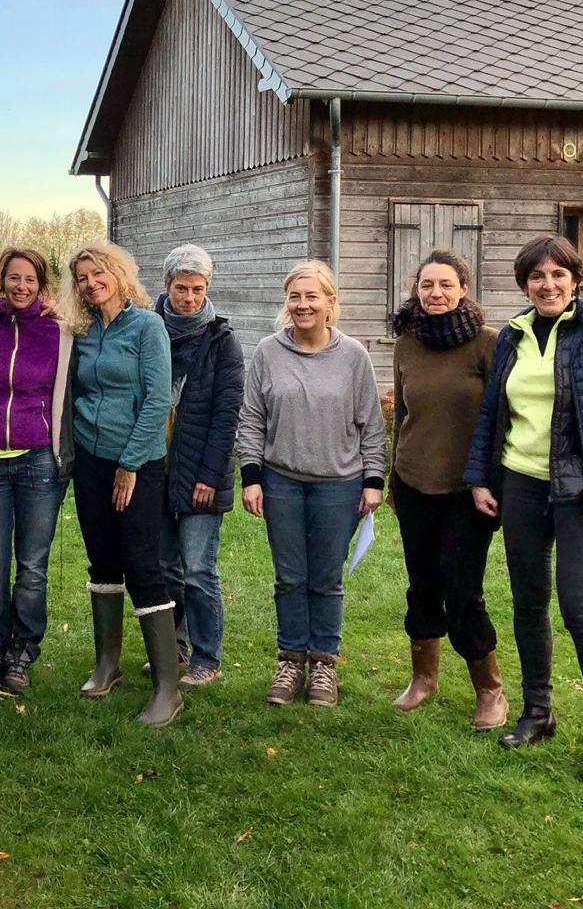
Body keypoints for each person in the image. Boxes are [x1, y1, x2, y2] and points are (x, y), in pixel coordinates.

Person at [465, 235, 583, 779]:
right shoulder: (512, 336)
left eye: (557, 275)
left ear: (575, 280)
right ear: (524, 283)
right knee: (527, 601)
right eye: (536, 277)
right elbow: (491, 415)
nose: (547, 285)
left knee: (579, 608)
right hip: (519, 483)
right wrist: (481, 475)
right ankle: (538, 713)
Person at [239, 261, 385, 708]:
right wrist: (251, 476)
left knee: (325, 578)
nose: (303, 305)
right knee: (289, 577)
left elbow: (371, 425)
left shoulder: (353, 356)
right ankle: (290, 661)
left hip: (338, 485)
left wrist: (373, 479)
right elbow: (251, 418)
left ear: (330, 303)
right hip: (281, 480)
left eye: (311, 296)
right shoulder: (267, 351)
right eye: (295, 297)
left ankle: (324, 663)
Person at [386, 250, 506, 730]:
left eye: (445, 285)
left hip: (468, 489)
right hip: (414, 481)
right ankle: (424, 678)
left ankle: (490, 688)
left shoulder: (489, 344)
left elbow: (501, 418)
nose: (435, 293)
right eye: (426, 285)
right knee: (422, 584)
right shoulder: (406, 344)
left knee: (462, 589)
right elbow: (403, 417)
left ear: (463, 290)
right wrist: (394, 476)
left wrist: (491, 478)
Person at [62, 240, 180, 727]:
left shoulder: (148, 326)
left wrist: (130, 463)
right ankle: (107, 664)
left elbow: (157, 401)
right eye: (82, 278)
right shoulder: (83, 331)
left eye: (98, 273)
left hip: (138, 465)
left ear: (119, 273)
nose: (91, 283)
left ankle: (168, 689)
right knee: (102, 560)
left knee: (141, 563)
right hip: (91, 462)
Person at [0, 247, 75, 694]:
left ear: (41, 285)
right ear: (2, 281)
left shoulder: (60, 332)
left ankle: (22, 652)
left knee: (32, 567)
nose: (21, 286)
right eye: (14, 278)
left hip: (39, 463)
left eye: (30, 280)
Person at [154, 244, 243, 690]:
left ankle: (208, 657)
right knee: (166, 566)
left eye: (197, 289)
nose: (189, 297)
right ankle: (175, 647)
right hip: (157, 469)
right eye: (181, 288)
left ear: (208, 289)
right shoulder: (149, 329)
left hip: (202, 473)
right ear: (166, 285)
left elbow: (228, 414)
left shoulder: (222, 341)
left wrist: (209, 475)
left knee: (197, 568)